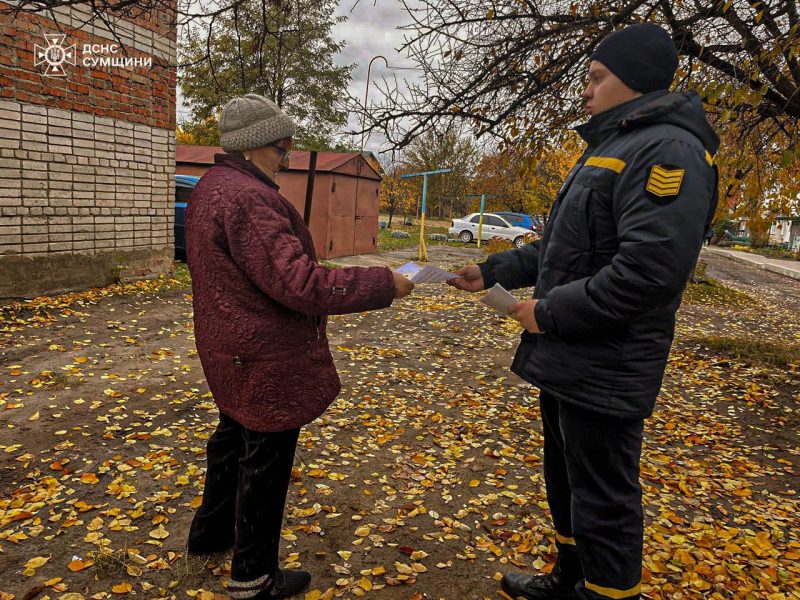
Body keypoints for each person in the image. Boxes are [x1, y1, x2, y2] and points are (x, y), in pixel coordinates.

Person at [449, 24, 719, 600]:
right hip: (571, 354)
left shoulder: (668, 151)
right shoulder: (611, 146)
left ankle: (607, 593)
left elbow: (647, 274)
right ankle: (568, 578)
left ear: (636, 80)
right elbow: (562, 247)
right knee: (566, 478)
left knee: (604, 493)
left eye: (597, 78)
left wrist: (546, 313)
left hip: (608, 359)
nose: (586, 91)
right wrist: (494, 271)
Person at [184, 93, 414, 600]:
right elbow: (299, 283)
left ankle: (209, 535)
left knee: (230, 438)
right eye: (282, 143)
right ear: (262, 144)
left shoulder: (212, 186)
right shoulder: (248, 198)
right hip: (263, 354)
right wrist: (383, 284)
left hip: (230, 346)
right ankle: (252, 578)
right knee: (265, 458)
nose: (287, 153)